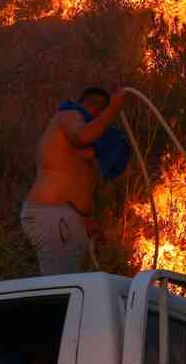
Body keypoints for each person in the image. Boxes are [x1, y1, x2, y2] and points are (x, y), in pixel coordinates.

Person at [21, 86, 128, 276]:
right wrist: (112, 110)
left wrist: (85, 221)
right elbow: (81, 137)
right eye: (100, 113)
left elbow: (79, 181)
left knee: (71, 284)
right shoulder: (69, 115)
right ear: (95, 109)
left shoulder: (85, 143)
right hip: (53, 214)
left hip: (67, 219)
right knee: (61, 287)